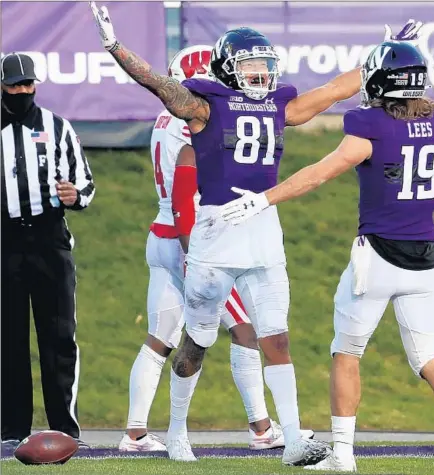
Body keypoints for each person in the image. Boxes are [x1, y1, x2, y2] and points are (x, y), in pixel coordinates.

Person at [89, 1, 421, 465]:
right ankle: (178, 430)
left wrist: (382, 53)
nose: (261, 74)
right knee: (197, 341)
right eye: (251, 65)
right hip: (217, 230)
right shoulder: (203, 105)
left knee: (276, 336)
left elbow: (329, 93)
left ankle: (291, 439)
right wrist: (115, 46)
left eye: (266, 66)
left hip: (264, 227)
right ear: (227, 67)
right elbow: (157, 83)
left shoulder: (277, 105)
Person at [220, 41, 434, 472]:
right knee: (431, 356)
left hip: (376, 257)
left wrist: (264, 199)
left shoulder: (370, 125)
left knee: (346, 354)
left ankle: (343, 455)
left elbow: (318, 174)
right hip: (425, 260)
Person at [118, 44, 313, 452]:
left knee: (162, 337)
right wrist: (194, 252)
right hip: (197, 236)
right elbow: (185, 193)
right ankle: (261, 428)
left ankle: (136, 431)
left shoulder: (166, 120)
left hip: (163, 234)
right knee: (242, 331)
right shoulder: (194, 120)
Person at [1, 53, 95, 449]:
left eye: (27, 84)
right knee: (8, 340)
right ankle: (10, 430)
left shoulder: (58, 127)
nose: (23, 91)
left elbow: (86, 184)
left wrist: (75, 195)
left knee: (59, 337)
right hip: (4, 243)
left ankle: (64, 429)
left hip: (49, 239)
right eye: (14, 85)